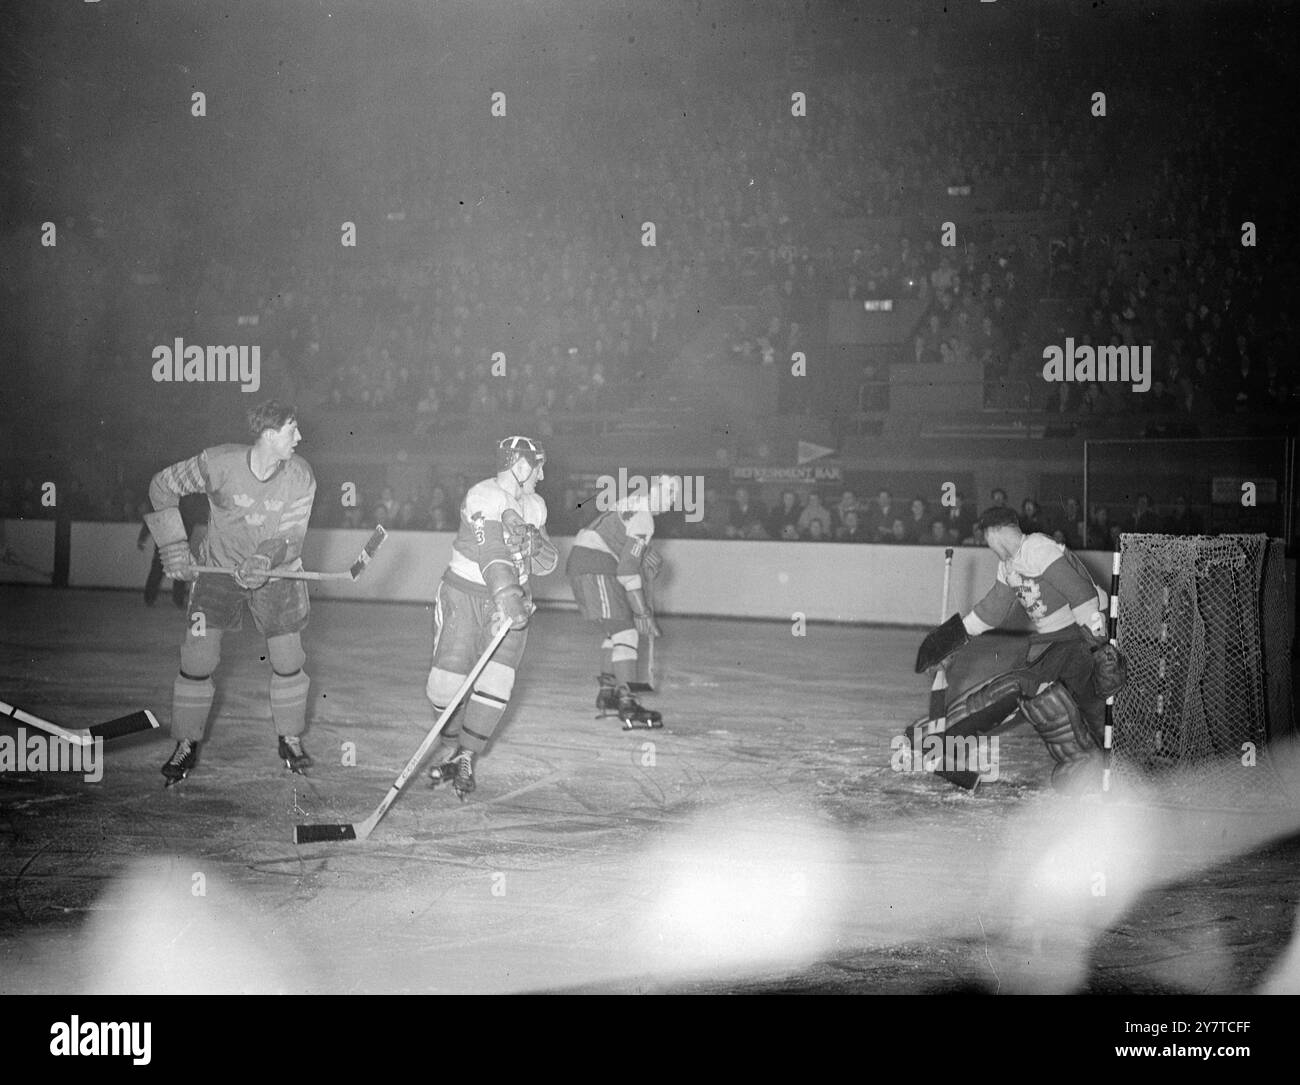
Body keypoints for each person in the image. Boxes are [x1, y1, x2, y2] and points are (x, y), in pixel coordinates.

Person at [148, 400, 316, 785]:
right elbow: (162, 486)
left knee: (288, 659)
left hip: (277, 575)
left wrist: (262, 559)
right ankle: (186, 743)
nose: (300, 437)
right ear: (269, 434)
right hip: (219, 571)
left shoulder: (300, 476)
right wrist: (174, 547)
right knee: (197, 659)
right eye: (293, 429)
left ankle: (289, 738)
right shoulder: (218, 463)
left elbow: (291, 536)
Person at [916, 506, 1118, 792]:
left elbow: (1080, 592)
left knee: (1030, 689)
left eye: (986, 539)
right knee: (1018, 691)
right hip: (1053, 640)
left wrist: (1098, 644)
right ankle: (948, 732)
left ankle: (1085, 764)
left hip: (1078, 635)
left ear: (994, 533)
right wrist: (951, 639)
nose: (987, 546)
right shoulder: (1008, 564)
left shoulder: (1036, 547)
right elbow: (993, 611)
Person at [424, 436, 556, 799]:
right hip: (467, 594)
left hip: (513, 597)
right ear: (521, 464)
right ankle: (453, 744)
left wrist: (537, 545)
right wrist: (507, 593)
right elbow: (492, 551)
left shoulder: (535, 504)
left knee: (497, 683)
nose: (542, 475)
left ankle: (466, 755)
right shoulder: (483, 495)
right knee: (443, 687)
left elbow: (546, 559)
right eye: (538, 465)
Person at [566, 475, 679, 728]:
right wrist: (643, 612)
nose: (672, 504)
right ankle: (628, 702)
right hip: (596, 566)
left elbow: (613, 532)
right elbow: (627, 570)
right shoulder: (645, 518)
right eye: (670, 496)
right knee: (627, 632)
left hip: (583, 562)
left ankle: (608, 694)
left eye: (675, 498)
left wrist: (645, 552)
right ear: (657, 492)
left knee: (615, 630)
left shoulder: (633, 502)